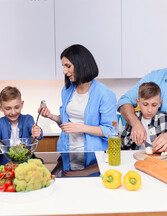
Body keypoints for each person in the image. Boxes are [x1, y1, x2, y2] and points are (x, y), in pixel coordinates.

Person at [39, 44, 117, 174]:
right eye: (63, 66)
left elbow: (110, 131)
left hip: (92, 160)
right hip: (69, 155)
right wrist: (51, 116)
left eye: (68, 66)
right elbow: (67, 122)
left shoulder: (104, 94)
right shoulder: (67, 90)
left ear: (83, 64)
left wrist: (80, 127)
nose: (64, 71)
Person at [121, 82, 167, 150]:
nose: (150, 110)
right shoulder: (134, 118)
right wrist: (133, 138)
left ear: (160, 103)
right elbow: (122, 144)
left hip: (160, 159)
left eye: (154, 105)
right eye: (145, 104)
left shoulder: (166, 120)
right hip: (138, 158)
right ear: (138, 103)